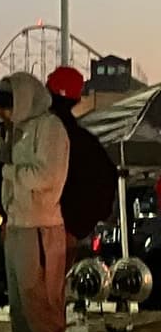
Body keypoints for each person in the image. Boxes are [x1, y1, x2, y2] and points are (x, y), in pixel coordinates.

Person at [0, 72, 75, 332]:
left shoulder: (49, 129)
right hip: (19, 224)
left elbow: (46, 176)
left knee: (41, 307)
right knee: (21, 311)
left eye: (6, 107)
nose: (4, 114)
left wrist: (9, 170)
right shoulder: (18, 128)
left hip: (40, 227)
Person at [46, 65, 118, 258]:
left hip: (52, 226)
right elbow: (108, 178)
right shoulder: (86, 142)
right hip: (76, 229)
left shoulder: (49, 136)